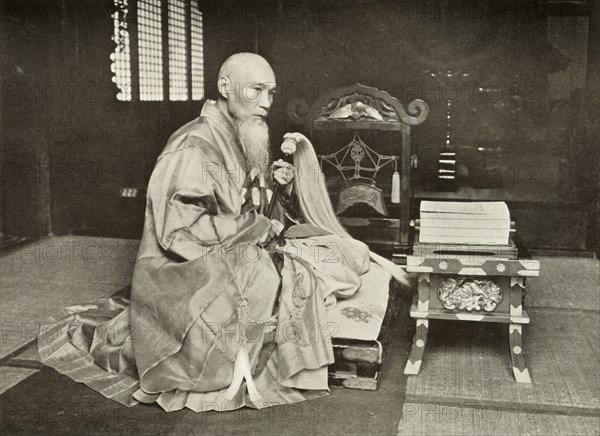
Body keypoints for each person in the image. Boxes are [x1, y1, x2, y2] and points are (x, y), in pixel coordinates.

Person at [38, 53, 400, 413]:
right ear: (225, 87)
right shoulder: (192, 146)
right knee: (300, 276)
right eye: (256, 90)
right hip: (185, 269)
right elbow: (177, 230)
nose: (266, 103)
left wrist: (277, 190)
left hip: (234, 246)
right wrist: (256, 228)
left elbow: (245, 208)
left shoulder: (237, 133)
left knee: (341, 254)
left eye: (271, 93)